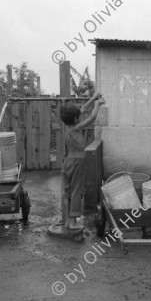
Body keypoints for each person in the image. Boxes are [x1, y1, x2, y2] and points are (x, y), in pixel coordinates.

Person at [59, 92, 105, 230]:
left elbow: (82, 110)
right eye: (78, 116)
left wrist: (92, 98)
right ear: (75, 119)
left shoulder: (68, 125)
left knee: (67, 192)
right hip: (77, 163)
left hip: (68, 162)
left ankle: (67, 221)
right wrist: (97, 104)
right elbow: (92, 117)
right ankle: (73, 223)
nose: (80, 115)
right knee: (76, 192)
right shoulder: (75, 128)